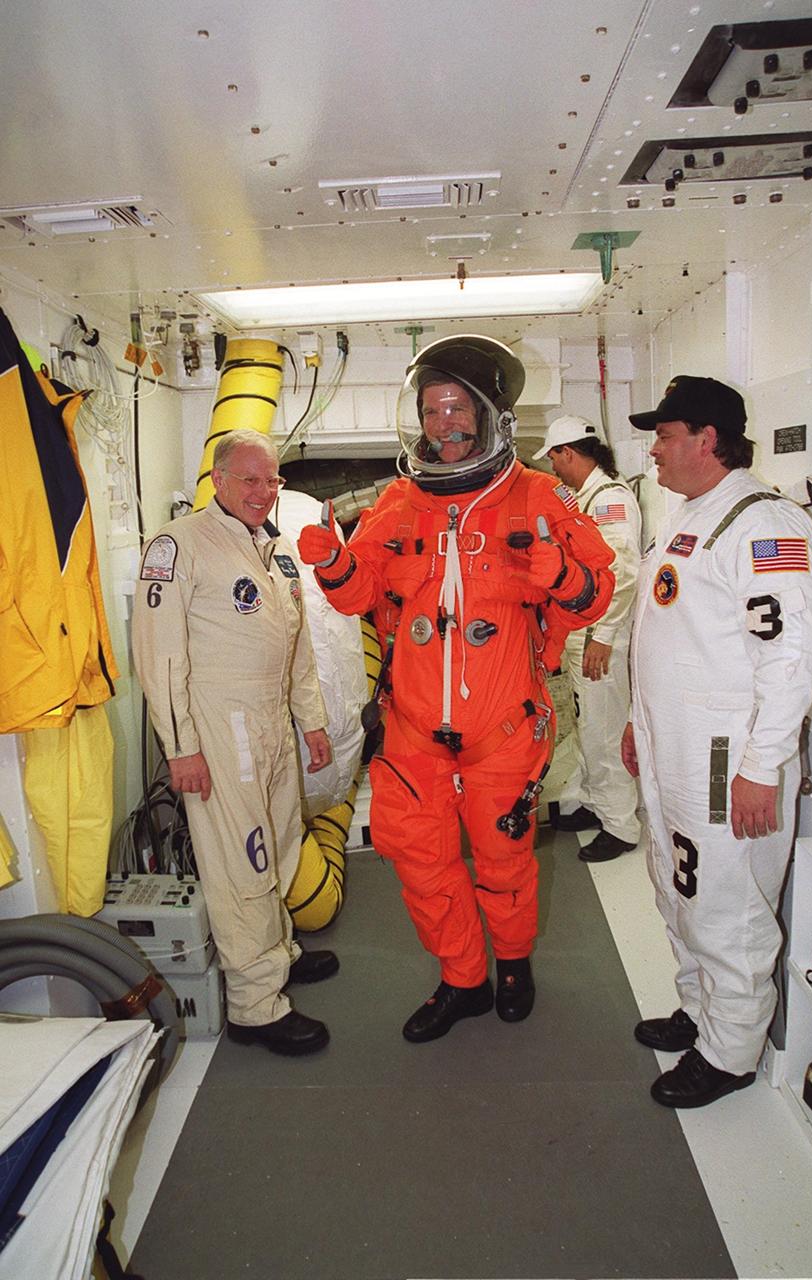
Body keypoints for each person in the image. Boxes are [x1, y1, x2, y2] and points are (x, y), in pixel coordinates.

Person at [298, 336, 615, 1042]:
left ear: (490, 416)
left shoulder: (538, 495)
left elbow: (597, 592)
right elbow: (360, 597)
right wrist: (331, 566)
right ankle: (462, 979)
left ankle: (512, 969)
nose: (444, 422)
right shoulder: (401, 501)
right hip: (414, 734)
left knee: (503, 862)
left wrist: (555, 571)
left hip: (504, 729)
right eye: (432, 409)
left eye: (456, 407)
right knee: (421, 862)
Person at [621, 376, 812, 1107]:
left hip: (724, 761)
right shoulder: (694, 516)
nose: (654, 450)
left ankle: (731, 1050)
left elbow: (792, 654)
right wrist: (637, 720)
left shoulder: (763, 524)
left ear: (708, 440)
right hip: (674, 747)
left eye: (665, 435)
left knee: (727, 906)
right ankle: (702, 1009)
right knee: (679, 891)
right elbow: (675, 637)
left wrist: (762, 765)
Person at [132, 429, 337, 1056]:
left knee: (277, 846)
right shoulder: (179, 545)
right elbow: (159, 656)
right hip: (220, 730)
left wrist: (313, 719)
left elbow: (295, 644)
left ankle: (276, 953)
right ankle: (255, 1004)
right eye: (250, 479)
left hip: (272, 719)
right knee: (240, 864)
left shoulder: (270, 549)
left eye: (272, 479)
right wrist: (181, 747)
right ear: (217, 480)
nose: (264, 491)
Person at [533, 415, 642, 861]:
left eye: (555, 459)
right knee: (586, 725)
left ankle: (621, 826)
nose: (554, 469)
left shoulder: (610, 500)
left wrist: (604, 635)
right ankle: (598, 804)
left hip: (601, 638)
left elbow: (623, 570)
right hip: (585, 632)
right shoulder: (585, 498)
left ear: (568, 453)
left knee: (604, 730)